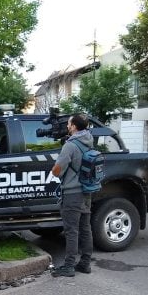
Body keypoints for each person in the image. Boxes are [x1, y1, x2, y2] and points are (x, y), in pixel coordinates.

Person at [50, 114, 94, 277]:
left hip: (72, 192)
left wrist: (54, 169)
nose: (67, 126)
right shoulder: (89, 141)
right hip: (86, 191)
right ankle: (85, 263)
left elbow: (58, 170)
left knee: (71, 230)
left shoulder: (70, 146)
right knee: (85, 229)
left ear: (74, 126)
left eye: (69, 123)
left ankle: (68, 266)